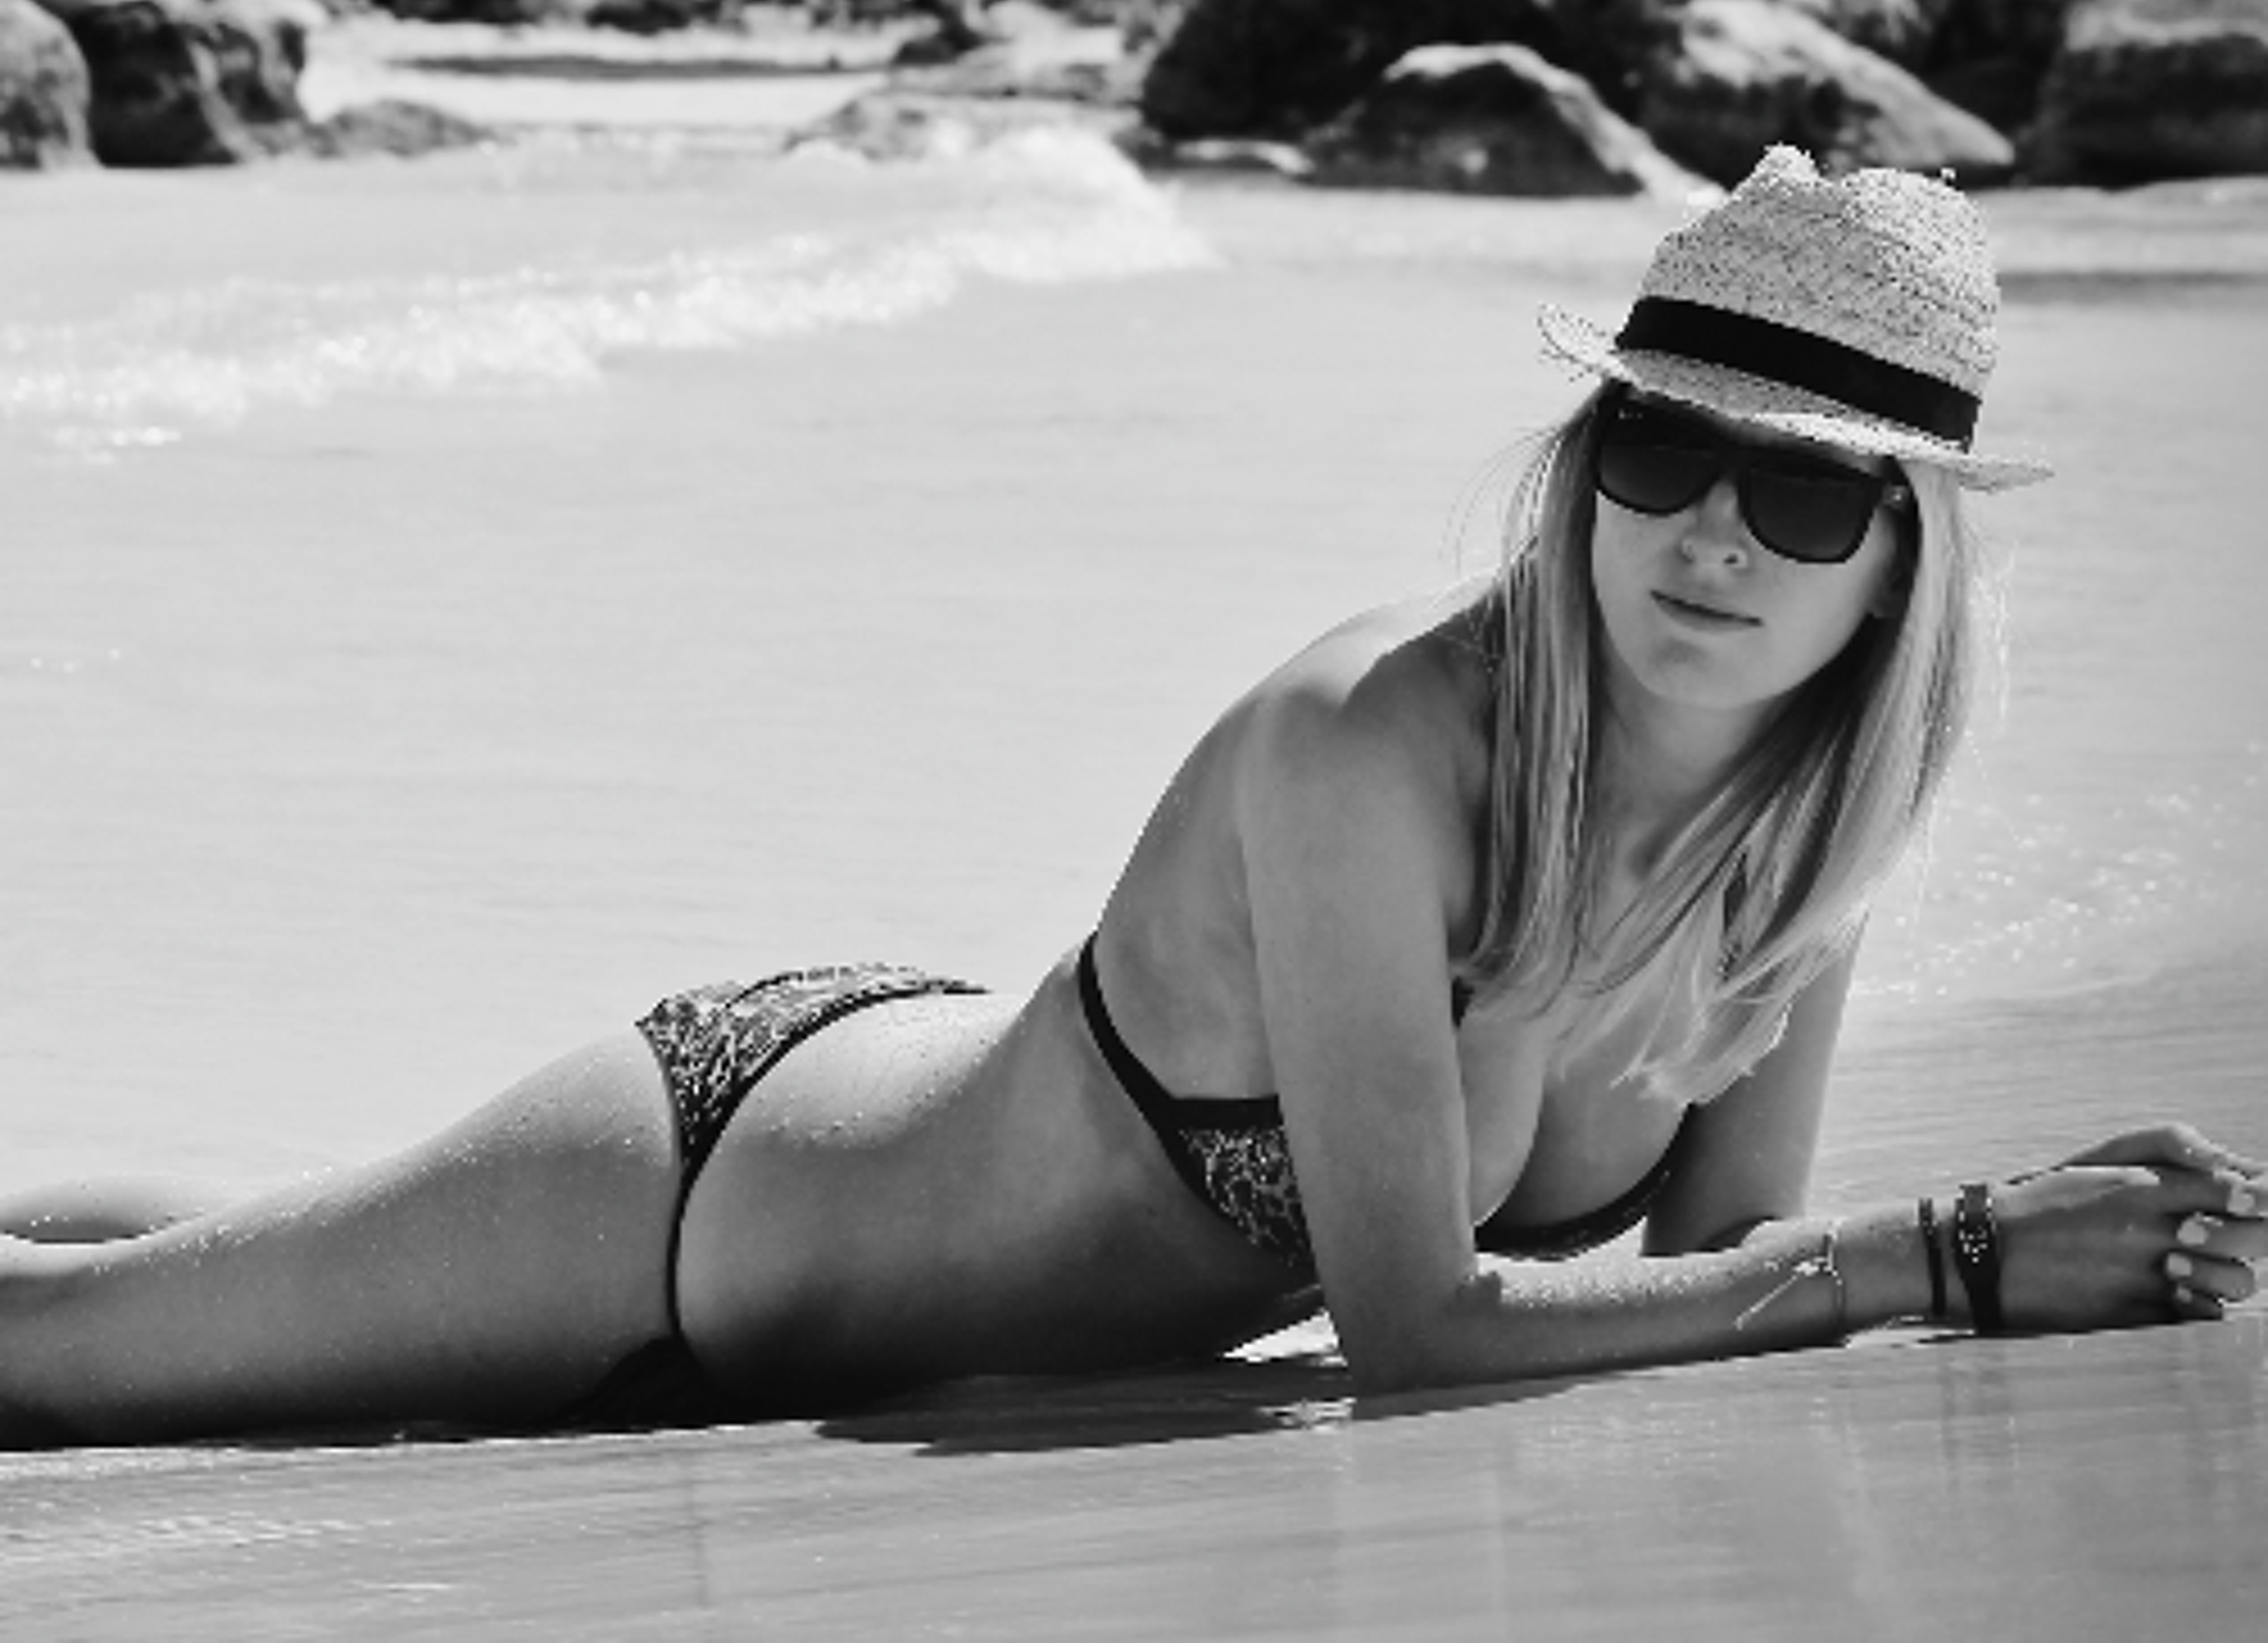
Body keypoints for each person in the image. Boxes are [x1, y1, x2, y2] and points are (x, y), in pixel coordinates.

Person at [4, 147, 2261, 1449]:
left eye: (1807, 493)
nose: (1714, 536)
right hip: (704, 1207)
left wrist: (2037, 1259)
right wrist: (1959, 1252)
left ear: (1901, 573)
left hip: (874, 1236)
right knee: (55, 1365)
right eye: (1663, 453)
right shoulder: (1370, 745)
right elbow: (1421, 1331)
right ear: (1588, 468)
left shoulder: (1801, 854)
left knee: (213, 1254)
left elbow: (1720, 1284)